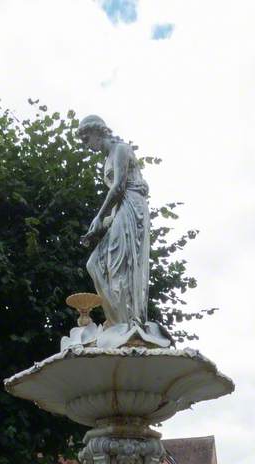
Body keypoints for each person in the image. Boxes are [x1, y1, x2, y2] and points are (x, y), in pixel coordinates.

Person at [75, 114, 169, 350]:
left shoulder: (120, 149)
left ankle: (128, 322)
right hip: (120, 211)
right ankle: (117, 320)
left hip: (132, 208)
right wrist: (101, 225)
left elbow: (118, 187)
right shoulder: (107, 159)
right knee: (94, 264)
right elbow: (115, 195)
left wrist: (99, 216)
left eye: (87, 139)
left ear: (99, 132)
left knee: (122, 266)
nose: (88, 146)